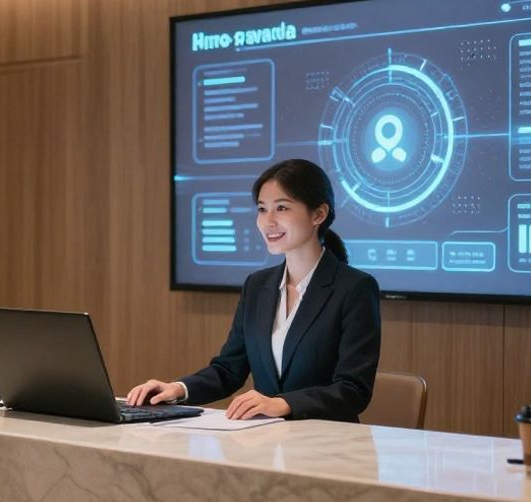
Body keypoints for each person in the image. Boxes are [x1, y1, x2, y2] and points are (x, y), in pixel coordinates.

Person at [128, 158, 381, 422]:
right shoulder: (257, 286)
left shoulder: (355, 288)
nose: (267, 221)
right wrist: (177, 389)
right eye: (262, 209)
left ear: (318, 214)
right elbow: (228, 370)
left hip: (326, 447)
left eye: (281, 208)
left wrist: (283, 404)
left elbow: (353, 390)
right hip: (265, 443)